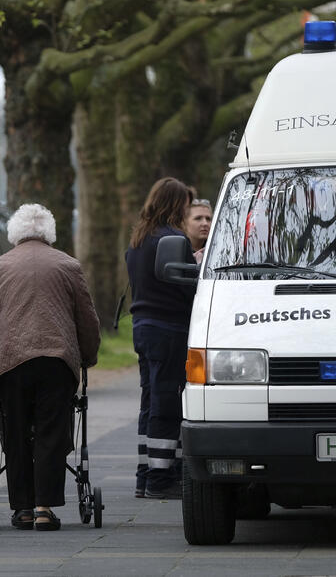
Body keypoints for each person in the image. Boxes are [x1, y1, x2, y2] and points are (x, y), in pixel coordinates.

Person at [0, 204, 100, 532]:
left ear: (14, 233)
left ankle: (23, 508)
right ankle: (44, 507)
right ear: (50, 233)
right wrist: (88, 355)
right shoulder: (68, 265)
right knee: (52, 431)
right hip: (56, 361)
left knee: (14, 432)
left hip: (10, 362)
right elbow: (87, 318)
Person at [125, 177, 197, 499]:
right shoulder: (173, 239)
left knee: (149, 402)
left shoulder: (138, 240)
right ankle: (161, 479)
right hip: (169, 329)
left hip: (143, 327)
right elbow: (184, 290)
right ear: (175, 204)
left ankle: (145, 475)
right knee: (167, 405)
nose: (187, 210)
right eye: (186, 204)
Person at [184, 197, 212, 262]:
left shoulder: (217, 249)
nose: (205, 223)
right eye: (198, 218)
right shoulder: (178, 251)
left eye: (208, 219)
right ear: (184, 222)